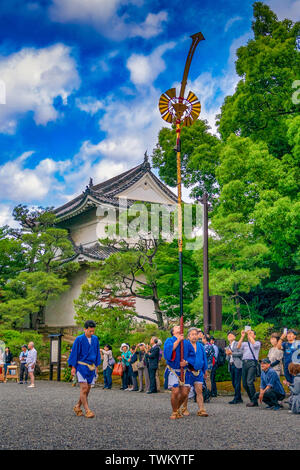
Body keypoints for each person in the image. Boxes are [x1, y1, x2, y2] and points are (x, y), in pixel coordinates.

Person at [68, 320, 101, 418]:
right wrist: (73, 367)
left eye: (93, 331)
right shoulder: (79, 339)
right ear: (85, 329)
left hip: (91, 366)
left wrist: (96, 366)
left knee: (88, 389)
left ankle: (78, 406)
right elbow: (74, 353)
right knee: (84, 388)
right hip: (81, 366)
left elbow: (97, 353)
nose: (92, 333)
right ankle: (87, 410)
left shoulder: (95, 339)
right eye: (90, 331)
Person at [163, 325, 195, 420]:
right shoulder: (169, 340)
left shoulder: (187, 343)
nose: (179, 327)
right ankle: (174, 411)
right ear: (173, 331)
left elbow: (192, 355)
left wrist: (187, 362)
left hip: (184, 370)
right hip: (173, 369)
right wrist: (178, 340)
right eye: (176, 327)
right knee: (175, 391)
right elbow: (167, 352)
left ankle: (177, 408)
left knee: (185, 392)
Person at [181, 327, 208, 417]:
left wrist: (205, 370)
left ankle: (201, 409)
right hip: (188, 371)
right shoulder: (185, 345)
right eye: (192, 334)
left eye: (196, 334)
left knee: (199, 390)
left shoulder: (200, 346)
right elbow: (183, 357)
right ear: (188, 336)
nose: (194, 336)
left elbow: (204, 358)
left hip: (199, 371)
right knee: (186, 391)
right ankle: (184, 408)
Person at [237, 329, 261, 407]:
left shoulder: (257, 342)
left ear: (254, 336)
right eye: (249, 334)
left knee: (249, 382)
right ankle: (252, 399)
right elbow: (238, 347)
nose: (249, 335)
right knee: (244, 383)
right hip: (244, 363)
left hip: (252, 363)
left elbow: (255, 345)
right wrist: (242, 336)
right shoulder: (245, 343)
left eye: (251, 333)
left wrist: (250, 336)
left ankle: (254, 401)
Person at [225, 331, 243, 404]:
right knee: (233, 382)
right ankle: (239, 397)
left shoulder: (237, 343)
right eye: (228, 335)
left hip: (238, 364)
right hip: (231, 364)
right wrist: (227, 354)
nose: (229, 336)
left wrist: (232, 353)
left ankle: (236, 398)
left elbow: (241, 353)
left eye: (231, 335)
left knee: (237, 382)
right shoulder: (228, 346)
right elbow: (227, 358)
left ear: (234, 337)